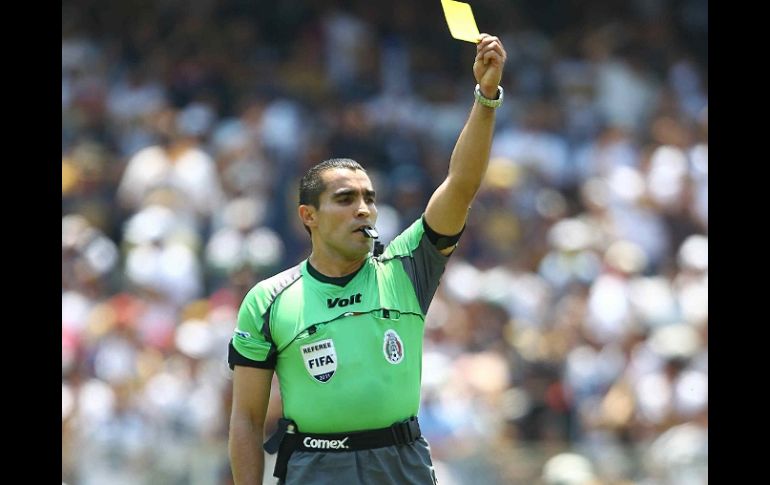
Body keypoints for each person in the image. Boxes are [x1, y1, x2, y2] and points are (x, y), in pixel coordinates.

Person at [228, 33, 507, 484]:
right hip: (314, 468)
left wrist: (487, 97)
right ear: (309, 216)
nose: (363, 208)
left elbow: (460, 184)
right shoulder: (268, 299)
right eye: (345, 198)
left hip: (402, 464)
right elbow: (245, 419)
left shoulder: (407, 268)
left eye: (369, 198)